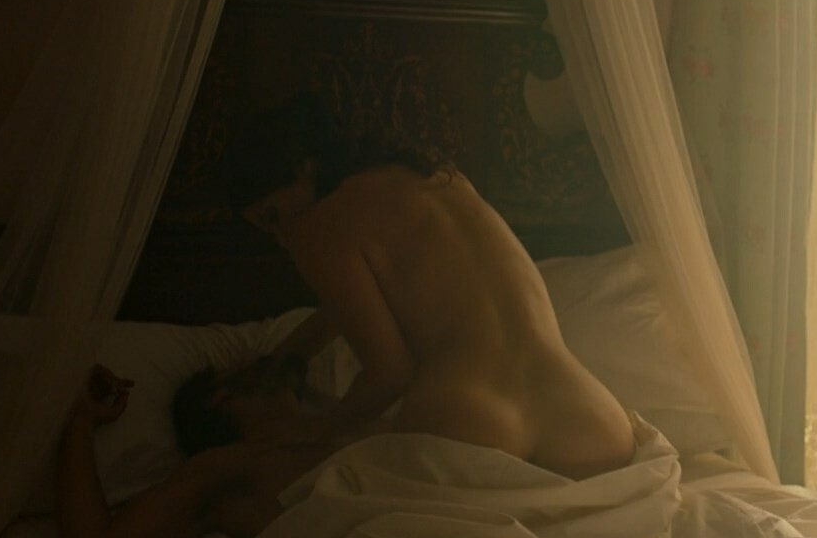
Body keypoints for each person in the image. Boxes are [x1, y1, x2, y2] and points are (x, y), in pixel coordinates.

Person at [217, 97, 636, 479]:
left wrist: (317, 428)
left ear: (303, 170)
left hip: (468, 412)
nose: (282, 238)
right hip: (588, 417)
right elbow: (350, 307)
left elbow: (389, 373)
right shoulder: (441, 178)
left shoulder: (319, 226)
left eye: (273, 216)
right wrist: (282, 357)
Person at [56, 359, 355, 538]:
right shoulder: (231, 462)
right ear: (222, 397)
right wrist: (81, 419)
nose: (260, 362)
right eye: (242, 368)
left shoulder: (337, 421)